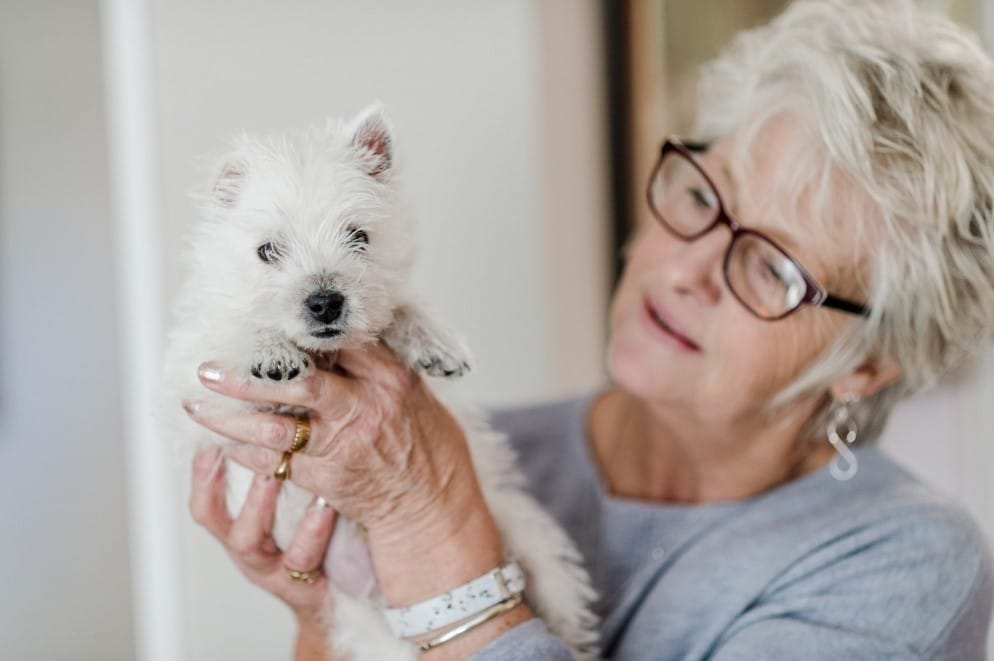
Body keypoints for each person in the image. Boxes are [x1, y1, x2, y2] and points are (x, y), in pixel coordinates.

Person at [184, 0, 994, 658]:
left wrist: (431, 525)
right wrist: (319, 611)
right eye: (704, 195)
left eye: (774, 265)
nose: (686, 267)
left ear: (873, 360)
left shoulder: (905, 560)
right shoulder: (479, 444)